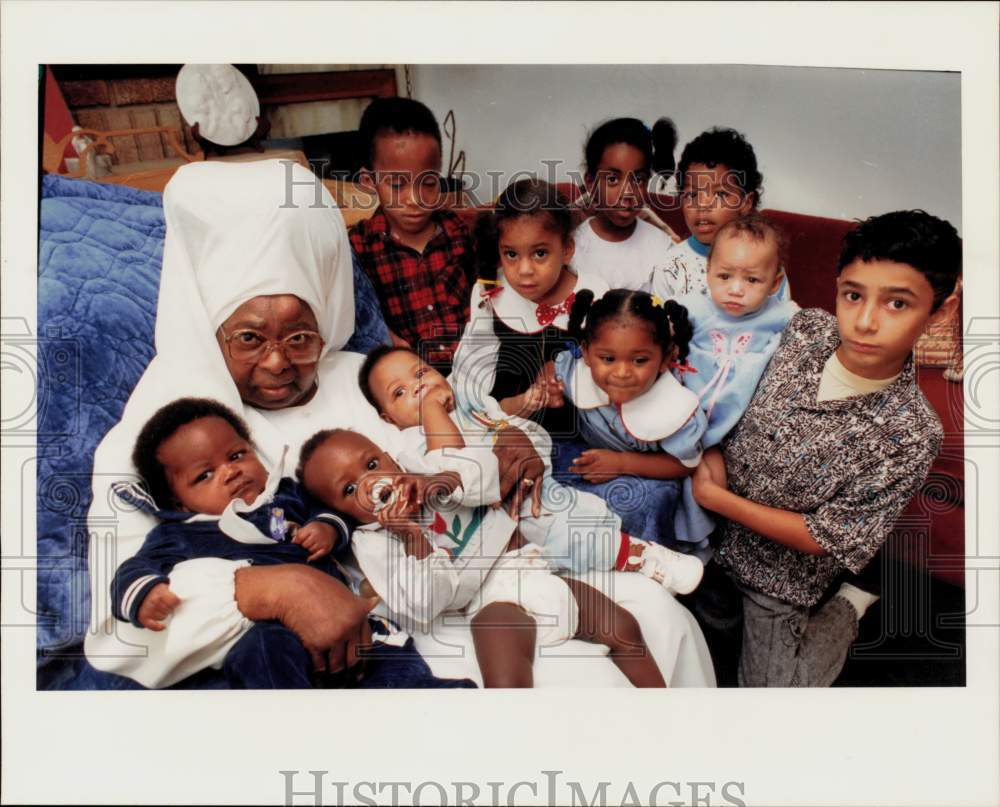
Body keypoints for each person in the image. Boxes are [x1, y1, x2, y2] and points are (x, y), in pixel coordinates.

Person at [84, 158, 716, 689]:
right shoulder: (167, 428)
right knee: (582, 688)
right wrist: (272, 590)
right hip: (394, 621)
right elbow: (121, 635)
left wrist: (509, 439)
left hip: (491, 554)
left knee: (659, 620)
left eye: (301, 334)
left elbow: (458, 422)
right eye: (248, 337)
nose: (278, 362)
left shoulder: (363, 372)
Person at [691, 209, 961, 687]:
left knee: (775, 698)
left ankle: (851, 604)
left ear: (936, 312)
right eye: (853, 295)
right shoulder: (804, 331)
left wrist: (719, 499)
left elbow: (822, 537)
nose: (865, 321)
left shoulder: (912, 432)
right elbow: (723, 392)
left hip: (778, 580)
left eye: (897, 304)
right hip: (706, 538)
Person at [111, 397, 472, 689]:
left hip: (349, 626)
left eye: (237, 455)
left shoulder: (284, 498)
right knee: (260, 652)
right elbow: (135, 568)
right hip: (272, 634)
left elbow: (336, 509)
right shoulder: (180, 533)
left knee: (389, 657)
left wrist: (327, 528)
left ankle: (433, 701)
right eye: (205, 475)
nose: (231, 471)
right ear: (179, 503)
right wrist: (144, 593)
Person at [298, 429, 667, 688]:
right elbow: (431, 601)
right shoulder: (375, 544)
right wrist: (410, 535)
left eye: (373, 464)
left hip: (527, 567)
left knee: (624, 628)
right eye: (349, 489)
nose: (371, 483)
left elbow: (490, 475)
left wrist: (438, 481)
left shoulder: (423, 469)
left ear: (391, 457)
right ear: (343, 513)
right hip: (490, 600)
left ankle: (671, 722)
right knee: (507, 678)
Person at [355, 344, 704, 591]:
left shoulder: (467, 407)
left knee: (576, 530)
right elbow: (458, 471)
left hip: (537, 495)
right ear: (388, 418)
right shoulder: (414, 446)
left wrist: (520, 407)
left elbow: (512, 424)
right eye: (400, 392)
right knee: (571, 539)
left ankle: (635, 559)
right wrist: (432, 410)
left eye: (422, 372)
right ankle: (644, 558)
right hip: (499, 522)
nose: (418, 386)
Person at [553, 288, 714, 556]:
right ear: (587, 353)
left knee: (649, 509)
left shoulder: (675, 408)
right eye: (607, 359)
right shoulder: (575, 372)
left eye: (640, 360)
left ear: (665, 359)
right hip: (598, 465)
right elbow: (555, 370)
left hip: (654, 479)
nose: (622, 372)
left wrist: (621, 464)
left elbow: (683, 465)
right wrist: (547, 389)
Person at [451, 177, 608, 438]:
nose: (525, 271)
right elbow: (472, 375)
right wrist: (509, 408)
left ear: (567, 249)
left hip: (578, 433)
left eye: (540, 254)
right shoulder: (489, 292)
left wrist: (567, 376)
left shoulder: (595, 296)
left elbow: (613, 370)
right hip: (506, 424)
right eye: (511, 254)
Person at [349, 97, 474, 372]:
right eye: (397, 185)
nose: (415, 199)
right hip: (414, 380)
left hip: (476, 367)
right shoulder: (360, 247)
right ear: (370, 182)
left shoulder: (459, 233)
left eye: (428, 183)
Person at [678, 214, 799, 448]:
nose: (735, 289)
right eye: (724, 276)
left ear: (775, 283)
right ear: (708, 270)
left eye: (752, 280)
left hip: (743, 422)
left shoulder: (781, 314)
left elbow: (813, 328)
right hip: (689, 410)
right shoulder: (692, 307)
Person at [651, 127, 791, 303]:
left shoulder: (765, 261)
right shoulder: (670, 266)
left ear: (746, 202)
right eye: (692, 194)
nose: (702, 205)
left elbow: (783, 320)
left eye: (720, 194)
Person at [571, 117, 678, 291]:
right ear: (590, 183)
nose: (627, 193)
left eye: (638, 179)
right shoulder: (571, 247)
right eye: (613, 179)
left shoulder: (662, 247)